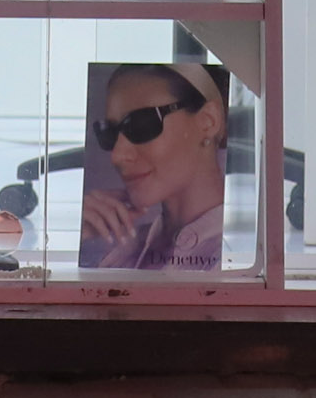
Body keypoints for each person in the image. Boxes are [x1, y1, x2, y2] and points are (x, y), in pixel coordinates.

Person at [80, 62, 227, 270]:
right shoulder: (123, 251)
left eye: (142, 124)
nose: (117, 156)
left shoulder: (240, 259)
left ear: (208, 121)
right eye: (109, 133)